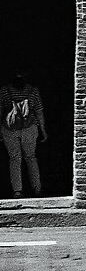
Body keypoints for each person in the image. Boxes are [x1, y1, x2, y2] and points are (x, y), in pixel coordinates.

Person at [0, 69, 43, 197]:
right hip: (30, 128)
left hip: (9, 129)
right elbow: (39, 112)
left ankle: (17, 190)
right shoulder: (33, 91)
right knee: (31, 158)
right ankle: (37, 188)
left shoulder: (4, 91)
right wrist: (43, 130)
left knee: (14, 159)